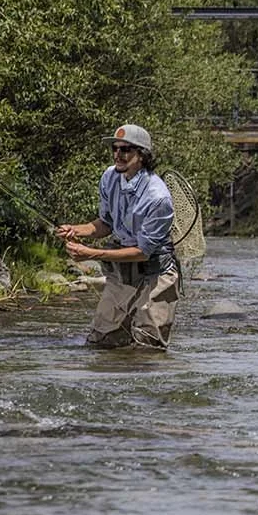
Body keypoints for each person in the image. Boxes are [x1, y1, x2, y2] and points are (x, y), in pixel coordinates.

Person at [56, 124, 179, 349]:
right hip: (123, 272)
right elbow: (106, 224)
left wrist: (91, 253)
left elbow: (142, 252)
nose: (117, 155)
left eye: (125, 150)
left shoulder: (158, 197)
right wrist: (77, 229)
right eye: (115, 148)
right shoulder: (109, 177)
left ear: (141, 156)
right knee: (102, 342)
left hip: (156, 274)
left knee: (148, 348)